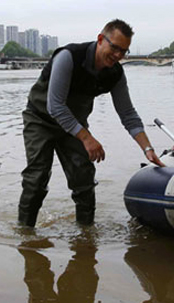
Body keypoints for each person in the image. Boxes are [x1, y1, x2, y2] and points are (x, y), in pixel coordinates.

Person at [18, 19, 164, 227]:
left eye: (124, 51)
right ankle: (25, 233)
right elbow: (55, 107)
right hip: (41, 120)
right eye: (114, 48)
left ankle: (86, 237)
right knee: (37, 179)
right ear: (100, 39)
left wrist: (147, 149)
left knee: (84, 179)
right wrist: (87, 137)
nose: (118, 56)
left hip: (74, 125)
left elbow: (128, 114)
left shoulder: (115, 74)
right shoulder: (68, 57)